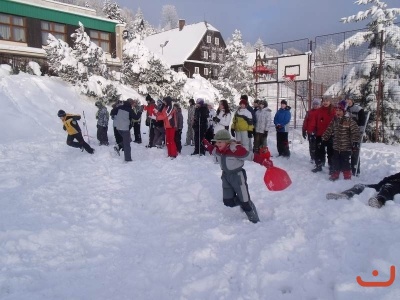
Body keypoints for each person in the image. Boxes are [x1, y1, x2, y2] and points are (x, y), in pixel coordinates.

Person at [202, 129, 273, 223]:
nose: (217, 144)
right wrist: (204, 141)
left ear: (227, 141)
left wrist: (264, 161)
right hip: (226, 177)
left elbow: (252, 156)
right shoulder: (217, 150)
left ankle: (255, 220)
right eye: (216, 142)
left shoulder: (236, 149)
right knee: (228, 202)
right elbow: (211, 149)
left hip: (237, 176)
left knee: (245, 201)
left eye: (220, 142)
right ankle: (244, 202)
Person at [321, 100, 360, 181]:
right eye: (336, 110)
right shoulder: (335, 120)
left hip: (345, 147)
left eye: (339, 110)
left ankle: (347, 175)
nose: (337, 112)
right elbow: (329, 129)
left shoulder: (349, 120)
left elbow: (355, 132)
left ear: (344, 111)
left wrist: (355, 141)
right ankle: (335, 174)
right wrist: (324, 138)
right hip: (336, 146)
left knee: (345, 162)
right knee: (335, 161)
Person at [326, 172, 400, 208]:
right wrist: (380, 184)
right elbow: (389, 178)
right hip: (382, 185)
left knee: (387, 187)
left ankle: (379, 202)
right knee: (360, 185)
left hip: (393, 188)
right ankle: (346, 194)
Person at [312, 95, 335, 173]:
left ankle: (332, 168)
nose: (325, 102)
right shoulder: (319, 110)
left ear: (330, 102)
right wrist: (313, 130)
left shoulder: (334, 110)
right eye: (324, 101)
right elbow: (314, 121)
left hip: (330, 134)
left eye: (327, 101)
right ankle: (319, 165)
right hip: (320, 134)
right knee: (319, 151)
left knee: (330, 152)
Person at [345, 95, 367, 176]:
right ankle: (348, 168)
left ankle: (355, 169)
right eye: (347, 99)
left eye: (349, 99)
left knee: (355, 151)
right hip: (347, 132)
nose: (348, 101)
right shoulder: (346, 109)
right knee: (347, 150)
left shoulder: (359, 109)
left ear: (352, 100)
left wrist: (360, 133)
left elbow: (362, 122)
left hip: (356, 133)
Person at [302, 98, 321, 162]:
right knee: (311, 145)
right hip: (310, 131)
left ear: (319, 105)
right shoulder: (309, 112)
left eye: (317, 104)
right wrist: (304, 130)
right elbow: (305, 121)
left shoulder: (321, 112)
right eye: (314, 104)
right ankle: (312, 157)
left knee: (318, 146)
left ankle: (318, 158)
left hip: (318, 132)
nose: (315, 105)